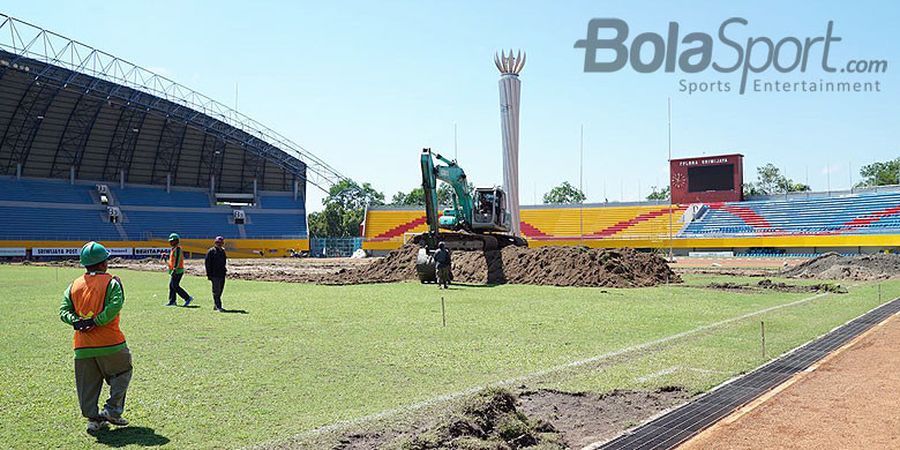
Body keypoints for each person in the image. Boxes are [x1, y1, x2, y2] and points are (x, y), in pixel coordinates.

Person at [59, 241, 132, 433]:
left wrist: (77, 321)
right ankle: (112, 410)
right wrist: (97, 321)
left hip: (82, 347)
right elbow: (115, 305)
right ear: (103, 263)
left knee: (87, 385)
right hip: (111, 343)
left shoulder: (74, 285)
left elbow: (63, 310)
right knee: (122, 373)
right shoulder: (112, 282)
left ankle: (93, 419)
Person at [166, 233, 193, 307]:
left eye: (172, 241)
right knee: (171, 286)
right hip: (174, 270)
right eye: (170, 241)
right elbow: (172, 260)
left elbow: (177, 259)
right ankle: (172, 301)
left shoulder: (177, 249)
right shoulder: (173, 249)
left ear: (177, 241)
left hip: (178, 270)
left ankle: (187, 298)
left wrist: (175, 268)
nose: (171, 242)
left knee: (175, 286)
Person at [205, 236, 228, 312]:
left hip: (222, 274)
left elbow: (224, 262)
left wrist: (225, 270)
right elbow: (207, 264)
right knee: (216, 291)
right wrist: (209, 275)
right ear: (215, 243)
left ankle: (216, 305)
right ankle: (218, 306)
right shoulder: (211, 251)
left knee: (220, 290)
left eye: (221, 243)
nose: (219, 244)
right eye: (218, 242)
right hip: (214, 275)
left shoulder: (223, 251)